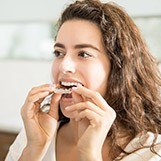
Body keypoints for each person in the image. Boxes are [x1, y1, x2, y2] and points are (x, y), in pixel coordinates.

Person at [5, 0, 161, 161]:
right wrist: (34, 149)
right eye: (59, 53)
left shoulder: (152, 152)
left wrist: (89, 154)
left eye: (83, 54)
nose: (64, 66)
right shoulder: (32, 137)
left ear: (118, 68)